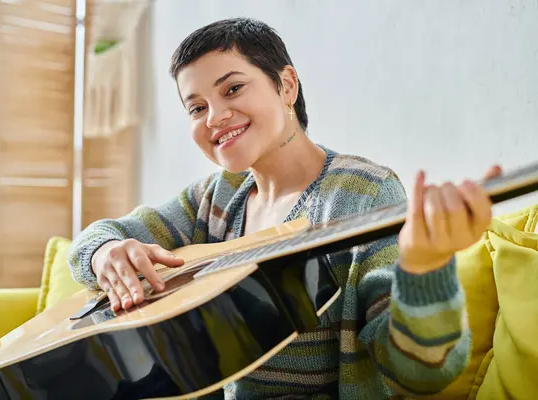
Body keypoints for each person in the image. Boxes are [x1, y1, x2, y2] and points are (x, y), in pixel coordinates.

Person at [68, 17, 501, 399]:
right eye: (196, 107)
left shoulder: (363, 194)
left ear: (286, 85)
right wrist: (105, 253)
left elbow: (418, 375)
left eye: (233, 88)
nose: (215, 117)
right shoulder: (214, 199)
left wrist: (425, 268)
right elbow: (91, 241)